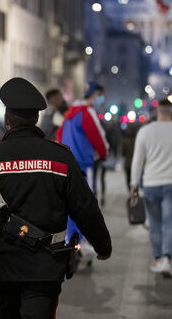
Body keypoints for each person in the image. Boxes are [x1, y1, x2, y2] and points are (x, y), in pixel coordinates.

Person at [0, 78, 111, 318]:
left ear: (7, 118)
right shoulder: (60, 157)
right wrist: (102, 244)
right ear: (37, 118)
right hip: (46, 263)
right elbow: (85, 206)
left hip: (3, 262)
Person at [129, 98, 172, 278]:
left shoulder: (145, 131)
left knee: (155, 223)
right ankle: (166, 259)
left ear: (157, 112)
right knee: (170, 223)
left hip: (152, 183)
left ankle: (157, 260)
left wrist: (134, 184)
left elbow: (137, 161)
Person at [56, 81, 108, 261]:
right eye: (100, 94)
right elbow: (99, 139)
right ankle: (82, 242)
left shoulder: (69, 114)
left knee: (69, 203)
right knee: (86, 204)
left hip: (66, 165)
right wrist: (103, 154)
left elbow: (58, 136)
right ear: (94, 94)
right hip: (85, 165)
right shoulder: (87, 113)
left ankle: (69, 239)